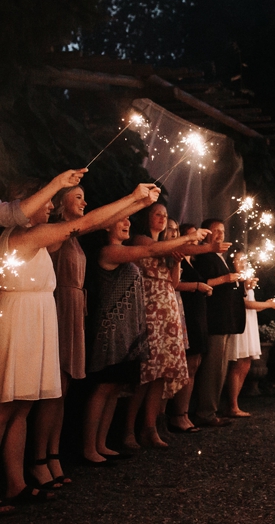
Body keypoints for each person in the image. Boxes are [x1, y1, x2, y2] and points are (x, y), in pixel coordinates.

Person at [0, 180, 157, 504]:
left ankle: (16, 483)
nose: (50, 206)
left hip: (38, 318)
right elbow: (83, 223)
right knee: (5, 409)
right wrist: (131, 197)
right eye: (44, 201)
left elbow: (92, 224)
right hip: (19, 320)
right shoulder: (24, 237)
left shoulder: (43, 241)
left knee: (22, 407)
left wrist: (137, 203)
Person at [81, 216, 210, 466]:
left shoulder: (131, 251)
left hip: (130, 322)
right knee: (106, 385)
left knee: (116, 385)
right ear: (106, 225)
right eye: (121, 220)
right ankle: (90, 447)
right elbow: (150, 249)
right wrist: (193, 240)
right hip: (112, 323)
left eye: (130, 219)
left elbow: (168, 275)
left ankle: (102, 444)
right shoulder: (111, 251)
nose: (128, 223)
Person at [192, 219, 243, 427]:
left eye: (222, 230)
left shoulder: (220, 257)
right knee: (212, 368)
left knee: (220, 367)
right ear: (205, 233)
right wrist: (226, 279)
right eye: (215, 231)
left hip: (224, 320)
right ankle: (205, 412)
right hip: (213, 319)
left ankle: (211, 410)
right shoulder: (204, 256)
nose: (220, 234)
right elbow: (204, 283)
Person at [222, 251, 275, 417]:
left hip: (249, 322)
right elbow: (244, 304)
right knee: (238, 364)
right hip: (239, 323)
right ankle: (232, 405)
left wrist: (270, 304)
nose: (242, 263)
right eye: (238, 260)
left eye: (244, 260)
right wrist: (267, 304)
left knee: (246, 363)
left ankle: (235, 404)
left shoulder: (245, 280)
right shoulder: (233, 279)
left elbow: (253, 305)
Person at [167, 223, 213, 433]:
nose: (195, 239)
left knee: (194, 364)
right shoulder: (175, 256)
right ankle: (177, 414)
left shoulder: (191, 262)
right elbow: (173, 284)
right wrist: (196, 286)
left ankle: (184, 413)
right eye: (191, 235)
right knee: (188, 363)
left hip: (197, 312)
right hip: (185, 311)